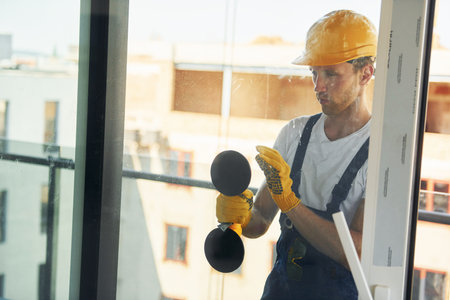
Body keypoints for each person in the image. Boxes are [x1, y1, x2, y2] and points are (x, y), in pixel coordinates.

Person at [215, 9, 377, 299]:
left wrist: (291, 204)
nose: (319, 86)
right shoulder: (295, 134)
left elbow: (356, 254)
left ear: (365, 72)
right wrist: (238, 218)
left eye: (331, 74)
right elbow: (261, 219)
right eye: (314, 72)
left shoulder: (377, 152)